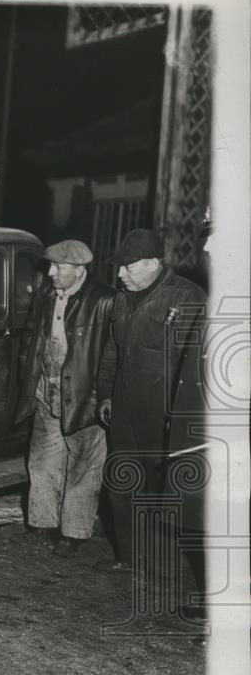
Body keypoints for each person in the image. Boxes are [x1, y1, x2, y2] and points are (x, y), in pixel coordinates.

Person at [96, 228, 207, 574]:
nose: (120, 274)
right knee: (122, 480)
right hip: (124, 408)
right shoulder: (121, 298)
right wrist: (105, 394)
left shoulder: (188, 298)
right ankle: (129, 557)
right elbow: (112, 350)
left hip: (163, 415)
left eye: (128, 267)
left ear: (153, 263)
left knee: (162, 488)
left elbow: (198, 368)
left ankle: (161, 564)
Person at [15, 239, 115, 556]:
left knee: (84, 468)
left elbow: (110, 354)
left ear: (79, 269)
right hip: (46, 392)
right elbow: (31, 337)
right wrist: (29, 374)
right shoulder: (46, 296)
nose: (50, 272)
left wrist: (102, 397)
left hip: (84, 398)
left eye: (58, 267)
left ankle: (74, 532)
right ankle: (43, 524)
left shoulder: (105, 300)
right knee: (43, 463)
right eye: (50, 265)